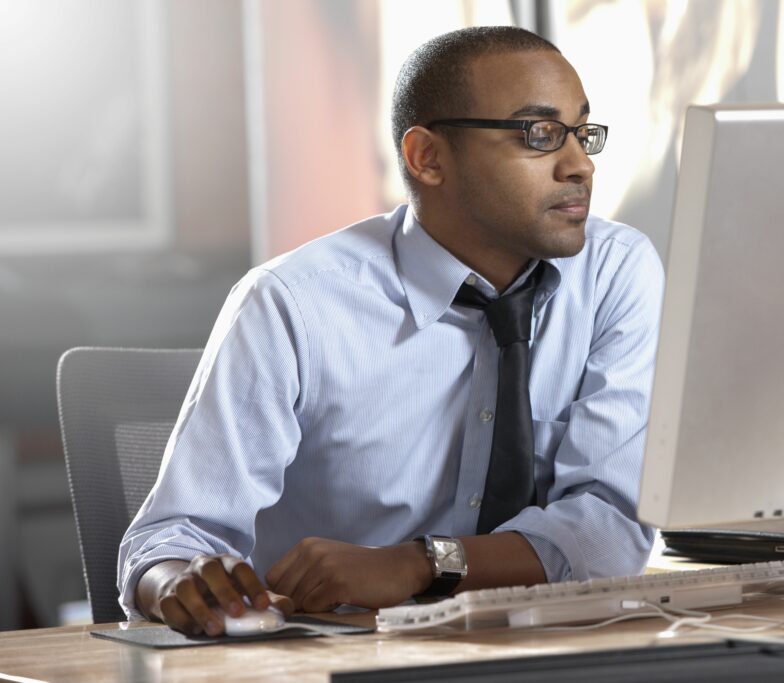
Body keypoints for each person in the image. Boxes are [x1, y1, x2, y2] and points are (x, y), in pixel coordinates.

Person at [118, 25, 664, 636]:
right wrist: (181, 581)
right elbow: (170, 538)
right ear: (427, 157)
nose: (579, 165)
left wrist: (417, 564)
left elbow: (610, 529)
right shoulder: (292, 304)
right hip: (333, 657)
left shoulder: (618, 271)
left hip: (550, 648)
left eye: (581, 133)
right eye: (538, 135)